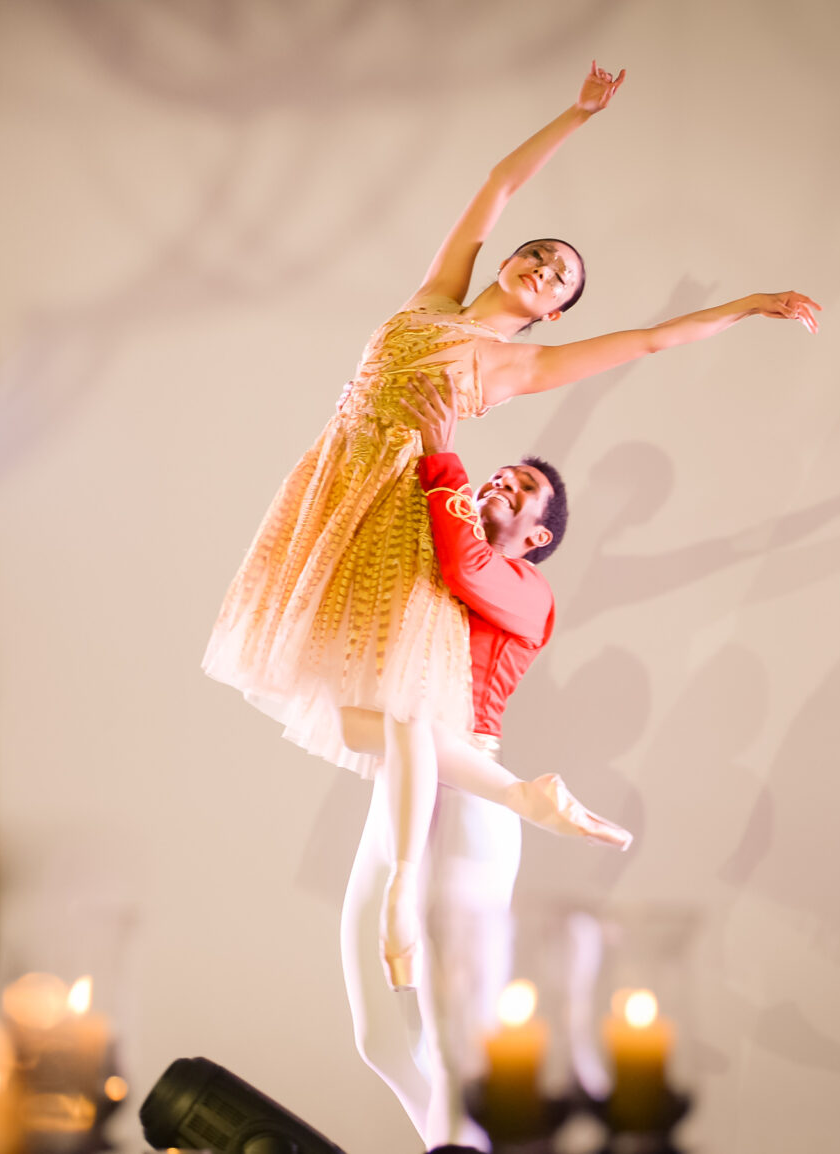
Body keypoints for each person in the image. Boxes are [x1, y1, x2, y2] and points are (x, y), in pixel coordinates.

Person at [202, 60, 819, 1138]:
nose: (540, 268)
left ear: (551, 315)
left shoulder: (512, 370)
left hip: (395, 512)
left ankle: (459, 849)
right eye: (539, 255)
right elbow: (492, 187)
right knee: (342, 709)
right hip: (329, 497)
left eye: (559, 277)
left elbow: (649, 342)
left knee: (391, 717)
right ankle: (440, 929)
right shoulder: (434, 301)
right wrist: (575, 119)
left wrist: (749, 304)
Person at [336, 377, 588, 1149]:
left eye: (523, 488)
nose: (501, 481)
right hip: (405, 788)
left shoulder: (526, 593)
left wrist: (443, 456)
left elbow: (464, 566)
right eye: (501, 473)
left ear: (537, 536)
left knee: (457, 1037)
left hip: (472, 803)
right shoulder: (440, 579)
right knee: (380, 1036)